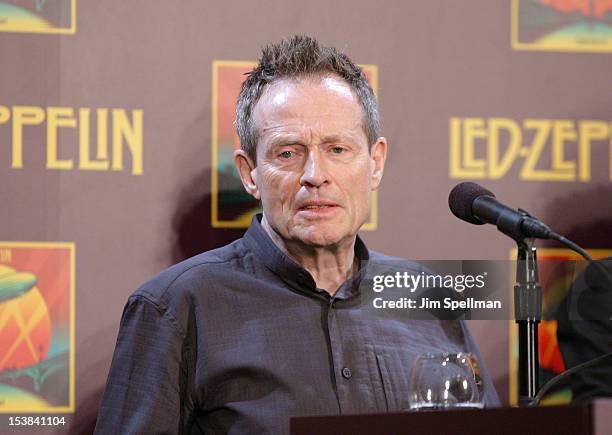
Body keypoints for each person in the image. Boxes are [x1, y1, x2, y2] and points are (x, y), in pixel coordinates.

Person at [94, 35, 499, 435]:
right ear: (249, 172)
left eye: (337, 149)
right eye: (288, 153)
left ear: (375, 163)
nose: (315, 175)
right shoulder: (177, 306)